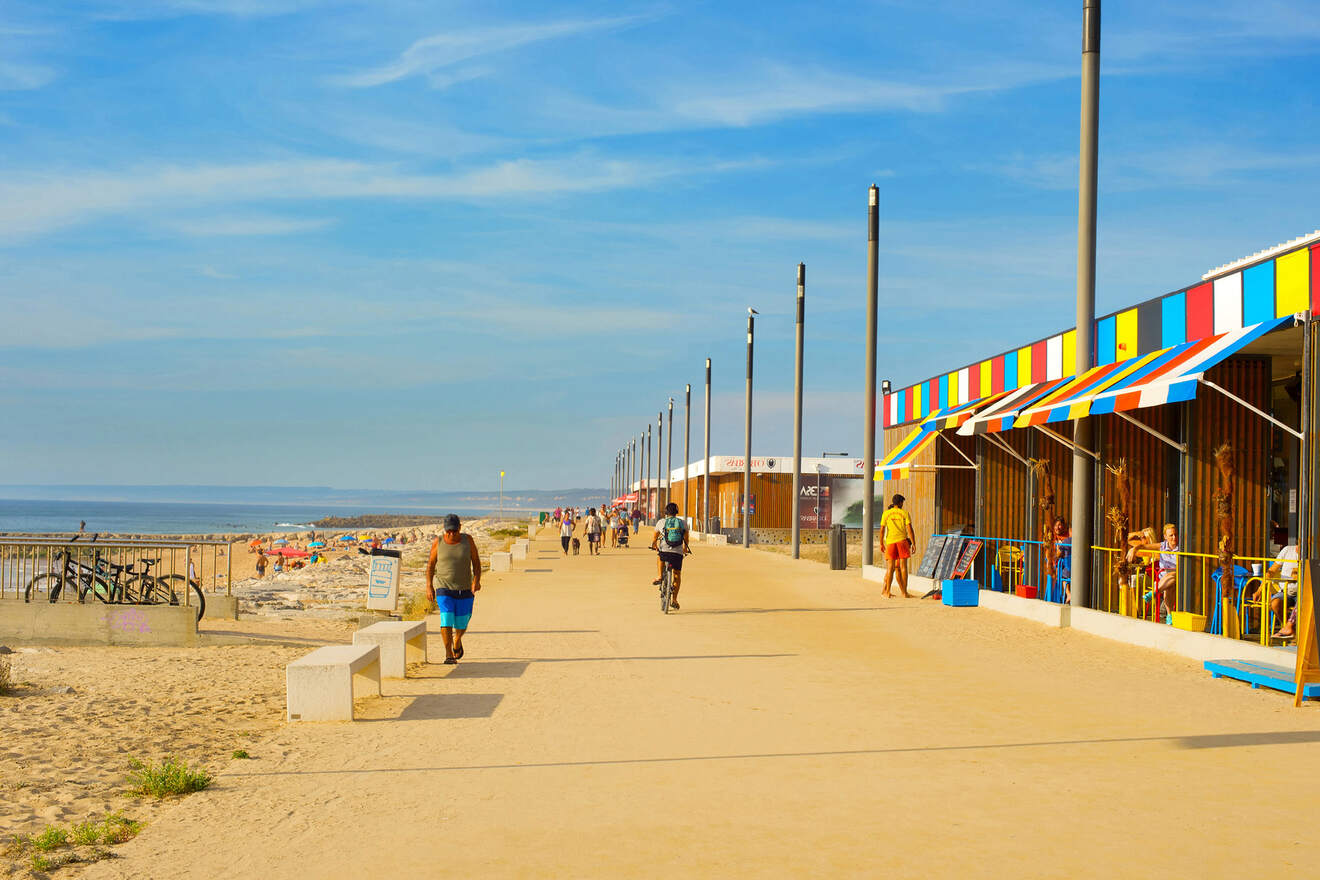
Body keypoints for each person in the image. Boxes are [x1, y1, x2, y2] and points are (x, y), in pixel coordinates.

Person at [425, 513, 482, 664]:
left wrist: (476, 580)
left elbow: (476, 562)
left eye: (454, 531)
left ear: (460, 528)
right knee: (446, 617)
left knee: (462, 623)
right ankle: (448, 654)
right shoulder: (438, 542)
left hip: (464, 588)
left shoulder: (467, 540)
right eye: (448, 531)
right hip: (443, 587)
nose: (451, 534)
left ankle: (457, 640)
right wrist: (429, 586)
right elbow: (431, 565)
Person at [1128, 523, 1179, 621]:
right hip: (1163, 579)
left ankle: (1153, 593)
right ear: (1165, 537)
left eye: (1175, 534)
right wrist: (1135, 549)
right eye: (1171, 535)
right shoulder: (1162, 545)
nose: (1174, 537)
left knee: (1174, 574)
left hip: (1177, 576)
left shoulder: (1182, 547)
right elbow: (1143, 546)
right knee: (1169, 586)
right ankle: (1169, 616)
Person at [649, 502, 692, 609]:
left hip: (665, 552)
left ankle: (659, 576)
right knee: (677, 575)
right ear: (676, 512)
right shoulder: (683, 523)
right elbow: (686, 539)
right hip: (677, 553)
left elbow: (655, 538)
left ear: (666, 512)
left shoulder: (661, 522)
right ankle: (674, 600)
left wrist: (654, 545)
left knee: (659, 556)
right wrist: (685, 549)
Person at [880, 495, 916, 598]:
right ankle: (904, 593)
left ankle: (887, 592)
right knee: (903, 567)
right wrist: (913, 543)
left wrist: (881, 543)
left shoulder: (886, 514)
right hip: (902, 541)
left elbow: (882, 530)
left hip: (890, 542)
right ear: (900, 503)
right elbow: (910, 529)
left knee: (890, 568)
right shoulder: (904, 513)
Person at [1264, 542, 1300, 638]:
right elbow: (1272, 570)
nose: (1298, 549)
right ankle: (1288, 628)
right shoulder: (1287, 550)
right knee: (1275, 604)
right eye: (1298, 546)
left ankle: (1289, 628)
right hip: (1286, 591)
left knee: (1303, 600)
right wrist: (1259, 590)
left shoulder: (1311, 555)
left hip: (1302, 592)